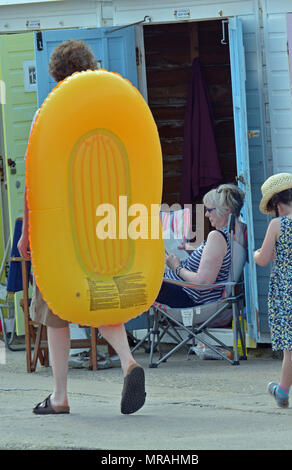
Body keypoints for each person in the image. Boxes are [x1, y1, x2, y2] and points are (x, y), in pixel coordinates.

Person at [17, 40, 146, 415]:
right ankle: (127, 361)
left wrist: (26, 233)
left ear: (56, 75)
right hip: (105, 222)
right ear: (91, 65)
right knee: (104, 297)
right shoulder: (113, 103)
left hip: (60, 228)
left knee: (56, 311)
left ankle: (59, 396)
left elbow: (33, 181)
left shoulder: (49, 114)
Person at [157, 184, 245, 321]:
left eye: (209, 210)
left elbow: (202, 283)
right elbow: (214, 259)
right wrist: (190, 250)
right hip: (190, 295)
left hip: (191, 300)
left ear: (226, 210)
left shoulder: (217, 237)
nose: (206, 214)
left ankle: (120, 331)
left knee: (142, 281)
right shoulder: (232, 234)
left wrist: (176, 267)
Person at [254, 173, 292, 408]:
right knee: (291, 348)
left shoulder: (278, 224)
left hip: (286, 292)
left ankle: (283, 390)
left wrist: (256, 254)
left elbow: (262, 259)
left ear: (278, 204)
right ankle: (282, 391)